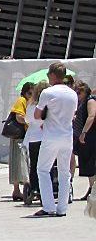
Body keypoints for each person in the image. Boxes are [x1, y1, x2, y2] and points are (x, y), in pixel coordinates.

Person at [34, 62, 77, 217]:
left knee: (43, 169)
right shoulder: (72, 93)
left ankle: (49, 206)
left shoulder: (47, 92)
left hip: (51, 135)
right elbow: (72, 116)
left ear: (52, 75)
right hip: (67, 135)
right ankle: (62, 208)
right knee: (65, 173)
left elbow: (37, 115)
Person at [7, 83, 34, 201]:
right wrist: (29, 122)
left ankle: (17, 190)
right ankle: (17, 190)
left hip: (24, 136)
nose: (31, 95)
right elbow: (19, 117)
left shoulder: (28, 102)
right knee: (18, 162)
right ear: (24, 92)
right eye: (29, 93)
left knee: (21, 163)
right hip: (19, 136)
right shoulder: (21, 100)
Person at [24, 81, 49, 206]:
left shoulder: (31, 105)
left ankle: (34, 188)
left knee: (34, 165)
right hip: (46, 137)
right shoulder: (48, 105)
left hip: (33, 138)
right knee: (46, 165)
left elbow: (27, 120)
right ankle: (46, 189)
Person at [76, 82, 96, 200]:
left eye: (80, 92)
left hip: (91, 136)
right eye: (76, 92)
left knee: (91, 164)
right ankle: (91, 189)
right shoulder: (83, 101)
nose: (78, 94)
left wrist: (84, 132)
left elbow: (91, 116)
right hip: (88, 136)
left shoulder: (90, 100)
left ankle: (93, 191)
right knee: (89, 164)